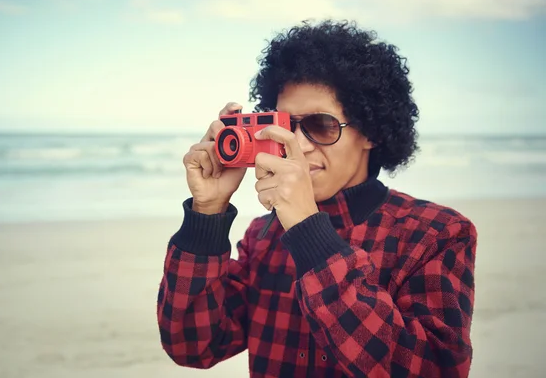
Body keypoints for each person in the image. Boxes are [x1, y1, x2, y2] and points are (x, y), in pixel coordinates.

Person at [156, 19, 477, 377]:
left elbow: (434, 369)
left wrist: (310, 234)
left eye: (321, 125)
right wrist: (208, 214)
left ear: (371, 131)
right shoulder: (263, 238)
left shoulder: (437, 234)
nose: (299, 143)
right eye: (286, 124)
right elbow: (192, 345)